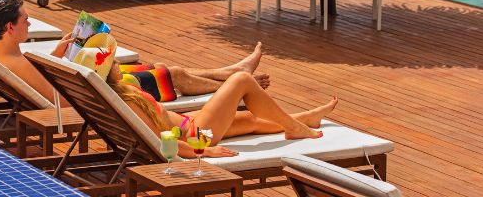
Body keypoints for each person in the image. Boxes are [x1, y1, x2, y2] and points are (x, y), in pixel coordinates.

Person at [0, 0, 270, 107]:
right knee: (175, 75)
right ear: (10, 27)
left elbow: (46, 82)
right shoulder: (17, 63)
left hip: (86, 83)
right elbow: (60, 97)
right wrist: (91, 68)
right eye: (25, 19)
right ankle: (240, 83)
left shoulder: (5, 56)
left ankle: (235, 72)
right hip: (95, 94)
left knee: (157, 66)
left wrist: (61, 55)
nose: (29, 22)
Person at [77, 44, 335, 159]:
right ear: (107, 72)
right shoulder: (127, 103)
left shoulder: (119, 90)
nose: (120, 62)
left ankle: (305, 119)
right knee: (242, 81)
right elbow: (159, 141)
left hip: (193, 124)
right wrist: (204, 150)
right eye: (114, 62)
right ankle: (296, 127)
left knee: (252, 120)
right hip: (195, 137)